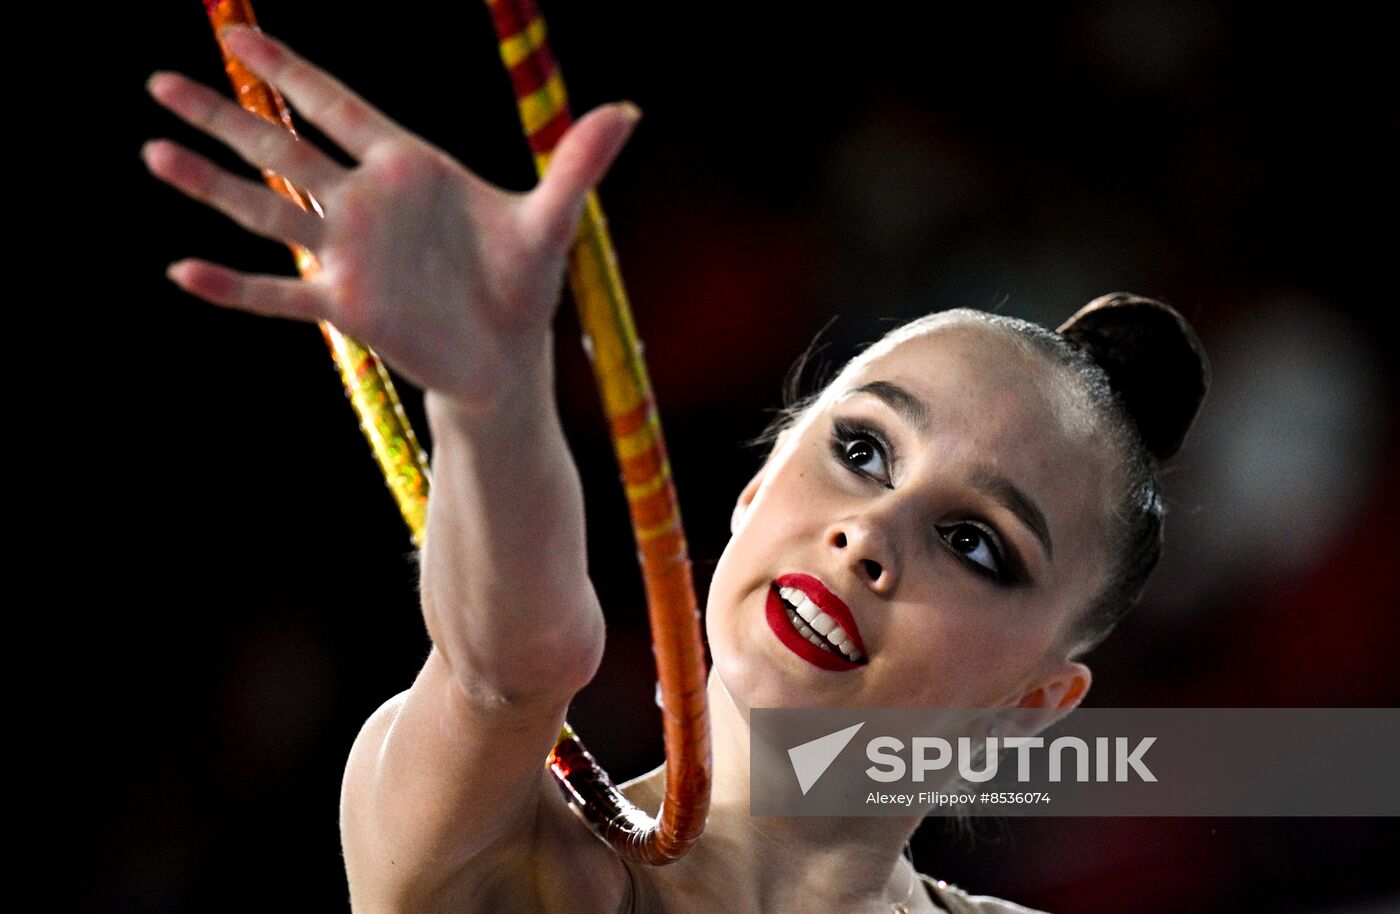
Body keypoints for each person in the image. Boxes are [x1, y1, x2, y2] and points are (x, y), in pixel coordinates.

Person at [143, 25, 1208, 914]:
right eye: (861, 450)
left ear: (1028, 705)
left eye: (974, 542)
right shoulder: (520, 871)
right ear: (754, 491)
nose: (869, 535)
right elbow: (510, 666)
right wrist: (490, 397)